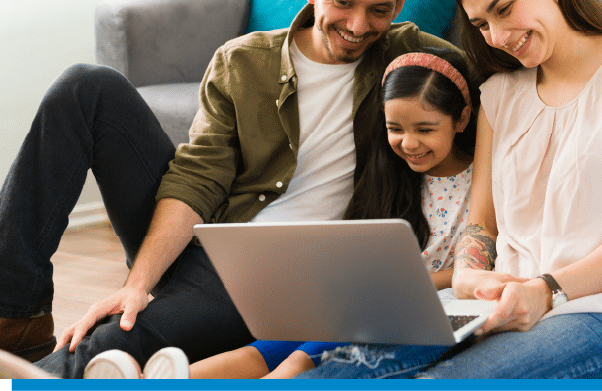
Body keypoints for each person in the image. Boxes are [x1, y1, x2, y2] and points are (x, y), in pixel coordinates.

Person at [0, 0, 463, 378]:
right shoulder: (243, 61)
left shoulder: (414, 60)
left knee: (108, 342)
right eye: (341, 1)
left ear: (401, 3)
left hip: (277, 282)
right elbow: (197, 178)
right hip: (205, 232)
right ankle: (15, 314)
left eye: (379, 10)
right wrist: (138, 283)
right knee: (86, 87)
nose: (358, 25)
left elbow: (502, 88)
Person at [294, 0, 602, 379]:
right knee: (339, 370)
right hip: (495, 305)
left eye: (504, 8)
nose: (498, 38)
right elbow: (481, 225)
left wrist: (547, 290)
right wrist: (468, 274)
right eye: (481, 24)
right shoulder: (500, 94)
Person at [80, 46, 480, 379]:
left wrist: (407, 284)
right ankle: (153, 379)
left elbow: (475, 266)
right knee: (263, 350)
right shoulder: (389, 175)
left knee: (296, 361)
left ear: (461, 118)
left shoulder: (481, 182)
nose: (408, 143)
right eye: (396, 128)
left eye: (425, 129)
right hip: (364, 300)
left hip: (429, 308)